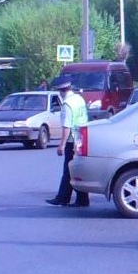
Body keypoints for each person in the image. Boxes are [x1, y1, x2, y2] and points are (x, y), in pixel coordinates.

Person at [46, 78, 90, 208]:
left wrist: (62, 145)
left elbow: (66, 127)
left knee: (69, 170)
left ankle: (63, 198)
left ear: (60, 91)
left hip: (72, 141)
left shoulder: (67, 104)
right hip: (82, 138)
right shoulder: (79, 99)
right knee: (77, 170)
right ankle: (81, 198)